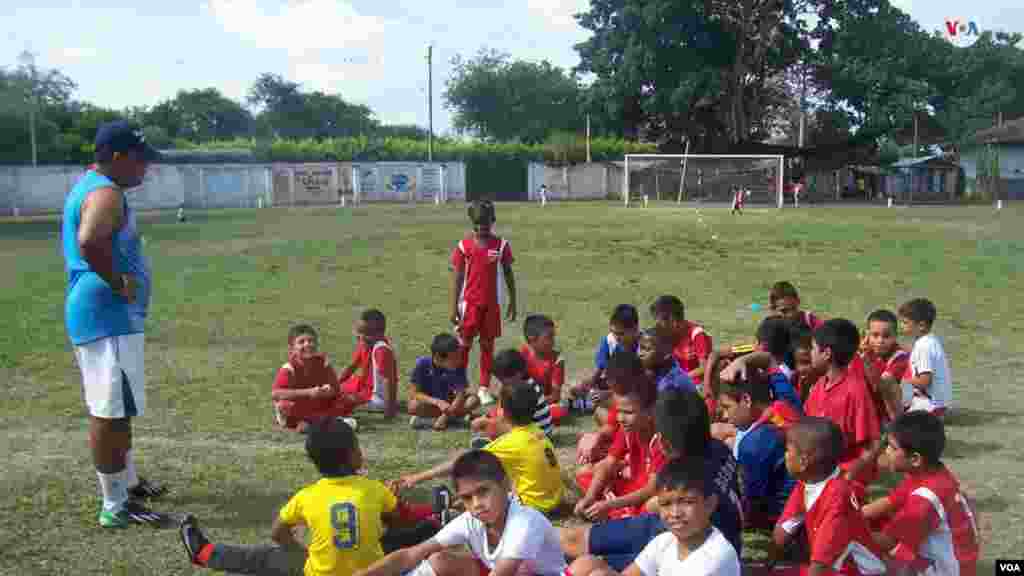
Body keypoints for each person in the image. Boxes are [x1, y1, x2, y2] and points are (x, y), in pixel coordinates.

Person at [62, 119, 168, 528]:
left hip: (105, 315)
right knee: (108, 412)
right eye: (141, 160)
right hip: (107, 315)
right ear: (119, 157)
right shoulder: (105, 194)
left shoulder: (92, 185)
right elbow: (90, 241)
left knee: (118, 407)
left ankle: (128, 482)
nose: (146, 169)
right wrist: (118, 281)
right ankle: (115, 504)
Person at [181, 419, 437, 575]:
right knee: (404, 538)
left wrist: (298, 550)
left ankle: (205, 553)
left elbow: (277, 533)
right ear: (352, 455)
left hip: (320, 572)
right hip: (374, 571)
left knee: (265, 557)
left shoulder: (306, 497)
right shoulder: (373, 489)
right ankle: (438, 520)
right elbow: (400, 520)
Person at [561, 390, 743, 571]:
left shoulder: (686, 481)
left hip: (687, 544)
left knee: (588, 563)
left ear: (663, 442)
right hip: (690, 536)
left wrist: (612, 505)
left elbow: (653, 504)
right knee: (576, 544)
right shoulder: (719, 450)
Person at [356, 450, 568, 576]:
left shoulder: (524, 522)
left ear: (505, 485)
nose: (476, 504)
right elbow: (412, 554)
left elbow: (504, 572)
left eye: (483, 491)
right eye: (467, 497)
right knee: (439, 559)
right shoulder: (470, 521)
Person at [400, 381, 565, 516]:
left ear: (503, 411)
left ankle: (453, 512)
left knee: (480, 477)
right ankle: (457, 505)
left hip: (533, 509)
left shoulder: (512, 443)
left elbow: (463, 462)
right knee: (500, 471)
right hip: (553, 501)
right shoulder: (536, 432)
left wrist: (418, 477)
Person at [569, 458, 741, 576]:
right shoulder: (666, 541)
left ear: (710, 504)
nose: (675, 513)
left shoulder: (713, 559)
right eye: (666, 504)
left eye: (687, 502)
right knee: (587, 564)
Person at [860, 412, 980, 576]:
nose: (886, 451)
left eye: (892, 447)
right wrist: (856, 515)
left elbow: (890, 542)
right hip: (957, 561)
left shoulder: (925, 498)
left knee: (860, 556)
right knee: (873, 525)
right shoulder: (932, 472)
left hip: (947, 571)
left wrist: (845, 531)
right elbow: (891, 501)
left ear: (915, 459)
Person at [772, 417, 887, 576]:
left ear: (803, 461)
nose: (785, 455)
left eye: (787, 450)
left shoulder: (838, 497)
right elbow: (780, 535)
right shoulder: (808, 482)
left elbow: (819, 566)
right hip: (832, 567)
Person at [803, 319, 882, 496]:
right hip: (818, 467)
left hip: (843, 474)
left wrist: (848, 475)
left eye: (813, 348)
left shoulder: (855, 390)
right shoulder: (817, 387)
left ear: (826, 353)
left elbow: (873, 445)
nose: (810, 353)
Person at [450, 200, 517, 406]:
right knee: (464, 347)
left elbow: (508, 273)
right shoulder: (464, 246)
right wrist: (453, 307)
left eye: (486, 223)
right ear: (472, 223)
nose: (482, 228)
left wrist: (513, 300)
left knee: (488, 347)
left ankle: (484, 388)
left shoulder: (501, 245)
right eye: (477, 224)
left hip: (491, 306)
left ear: (493, 221)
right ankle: (459, 386)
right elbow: (458, 277)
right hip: (469, 305)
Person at [574, 367, 663, 521]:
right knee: (585, 473)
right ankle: (610, 511)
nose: (620, 418)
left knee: (654, 505)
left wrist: (609, 505)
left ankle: (616, 514)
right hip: (630, 489)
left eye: (628, 412)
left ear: (650, 412)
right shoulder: (628, 429)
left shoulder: (661, 440)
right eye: (619, 411)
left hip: (646, 496)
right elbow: (609, 463)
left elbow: (651, 489)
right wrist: (589, 497)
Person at [715, 369, 796, 530]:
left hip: (782, 516)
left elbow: (753, 504)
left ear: (746, 400)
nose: (725, 415)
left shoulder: (754, 442)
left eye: (727, 407)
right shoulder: (783, 406)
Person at [272, 324, 358, 432]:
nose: (307, 344)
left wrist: (328, 391)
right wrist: (308, 392)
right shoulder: (289, 368)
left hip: (318, 405)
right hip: (299, 407)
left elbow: (336, 389)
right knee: (283, 406)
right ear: (292, 349)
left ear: (317, 344)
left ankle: (313, 423)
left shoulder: (323, 363)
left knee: (348, 400)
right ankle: (330, 422)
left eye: (311, 341)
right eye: (301, 342)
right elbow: (276, 393)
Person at [570, 304, 640, 414]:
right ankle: (589, 402)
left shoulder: (645, 347)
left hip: (634, 391)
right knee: (576, 386)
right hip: (613, 385)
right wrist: (588, 384)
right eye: (613, 332)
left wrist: (609, 393)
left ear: (635, 329)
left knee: (605, 408)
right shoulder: (610, 340)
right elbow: (600, 369)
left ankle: (593, 405)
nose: (616, 337)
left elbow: (640, 383)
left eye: (621, 334)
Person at [470, 349, 553, 442]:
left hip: (536, 434)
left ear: (518, 374)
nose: (501, 383)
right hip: (535, 431)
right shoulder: (520, 385)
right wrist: (488, 418)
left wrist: (488, 422)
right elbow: (501, 411)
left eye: (503, 379)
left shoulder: (524, 391)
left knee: (489, 430)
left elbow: (509, 419)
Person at [408, 333, 481, 431]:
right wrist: (437, 402)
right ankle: (456, 418)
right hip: (431, 405)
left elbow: (460, 394)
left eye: (459, 356)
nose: (459, 360)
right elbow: (414, 393)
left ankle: (436, 420)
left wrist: (444, 417)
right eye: (455, 357)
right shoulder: (422, 364)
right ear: (438, 357)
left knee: (474, 400)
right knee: (413, 406)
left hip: (451, 404)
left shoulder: (458, 367)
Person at [335, 309, 399, 420]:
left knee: (341, 400)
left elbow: (389, 381)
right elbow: (352, 366)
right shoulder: (365, 344)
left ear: (379, 334)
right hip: (363, 385)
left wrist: (390, 410)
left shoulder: (381, 350)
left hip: (373, 397)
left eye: (364, 333)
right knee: (332, 390)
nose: (358, 337)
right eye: (358, 332)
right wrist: (334, 384)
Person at [898, 298, 953, 417]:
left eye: (905, 323)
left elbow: (924, 381)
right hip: (939, 403)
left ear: (921, 325)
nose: (901, 326)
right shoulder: (930, 340)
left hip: (931, 406)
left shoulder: (923, 347)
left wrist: (902, 381)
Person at [859, 309, 910, 423]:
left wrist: (866, 362)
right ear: (867, 335)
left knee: (886, 381)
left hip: (897, 410)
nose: (880, 341)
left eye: (886, 336)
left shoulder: (900, 358)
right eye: (875, 335)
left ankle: (897, 427)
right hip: (874, 406)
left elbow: (879, 385)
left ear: (895, 336)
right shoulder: (862, 350)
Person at [649, 295, 713, 383]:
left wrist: (678, 379)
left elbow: (705, 367)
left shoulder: (697, 335)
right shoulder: (666, 334)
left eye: (659, 322)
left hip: (696, 385)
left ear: (672, 320)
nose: (658, 326)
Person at [520, 314, 567, 424]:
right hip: (523, 401)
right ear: (532, 339)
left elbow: (555, 396)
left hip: (545, 403)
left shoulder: (557, 360)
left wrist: (534, 404)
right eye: (549, 337)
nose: (553, 341)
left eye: (553, 336)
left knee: (559, 411)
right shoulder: (523, 354)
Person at [637, 328, 696, 394]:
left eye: (647, 349)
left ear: (666, 354)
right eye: (641, 348)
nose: (640, 354)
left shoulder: (671, 384)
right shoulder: (652, 368)